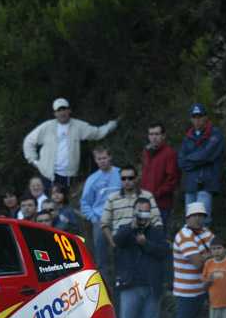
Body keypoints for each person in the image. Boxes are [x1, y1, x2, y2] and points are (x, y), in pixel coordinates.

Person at [113, 198, 167, 318]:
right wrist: (132, 226)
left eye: (145, 211)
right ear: (134, 211)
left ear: (150, 213)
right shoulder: (125, 229)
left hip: (151, 287)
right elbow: (117, 241)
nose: (142, 215)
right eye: (139, 211)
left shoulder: (157, 231)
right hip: (129, 285)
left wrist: (146, 244)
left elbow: (163, 252)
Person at [23, 97, 118, 188]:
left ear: (69, 110)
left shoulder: (79, 126)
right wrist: (34, 161)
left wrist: (110, 126)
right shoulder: (47, 127)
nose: (62, 113)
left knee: (65, 202)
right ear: (55, 113)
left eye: (64, 109)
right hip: (47, 174)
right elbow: (28, 142)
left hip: (68, 176)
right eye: (59, 110)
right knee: (48, 203)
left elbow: (97, 133)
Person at [167, 202, 214, 318]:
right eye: (195, 215)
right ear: (188, 217)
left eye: (201, 215)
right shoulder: (183, 235)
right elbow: (198, 263)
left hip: (203, 289)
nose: (198, 218)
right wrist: (209, 256)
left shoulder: (207, 233)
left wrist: (207, 257)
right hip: (186, 291)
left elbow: (221, 253)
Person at [177, 103, 225, 222]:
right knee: (190, 222)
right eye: (194, 117)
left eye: (200, 116)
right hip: (190, 185)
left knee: (203, 221)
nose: (197, 120)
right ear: (191, 119)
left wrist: (190, 158)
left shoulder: (216, 134)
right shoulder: (187, 137)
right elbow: (181, 162)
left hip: (206, 184)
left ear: (206, 117)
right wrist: (198, 159)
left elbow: (207, 155)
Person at [80, 146, 121, 279]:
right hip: (100, 220)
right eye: (99, 159)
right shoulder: (92, 179)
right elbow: (85, 203)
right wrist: (94, 218)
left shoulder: (120, 174)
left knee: (120, 253)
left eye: (104, 158)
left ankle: (122, 281)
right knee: (101, 257)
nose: (102, 161)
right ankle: (105, 287)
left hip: (120, 218)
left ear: (110, 157)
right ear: (95, 160)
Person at [102, 164, 163, 244]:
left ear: (136, 178)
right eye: (123, 178)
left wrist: (152, 240)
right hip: (121, 241)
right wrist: (113, 244)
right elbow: (104, 224)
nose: (127, 181)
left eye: (130, 178)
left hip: (143, 241)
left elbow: (157, 221)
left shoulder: (147, 196)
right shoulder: (112, 198)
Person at [140, 122, 180, 233]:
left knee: (159, 237)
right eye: (151, 134)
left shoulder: (169, 153)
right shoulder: (146, 152)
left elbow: (172, 180)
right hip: (145, 204)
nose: (154, 137)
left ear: (163, 136)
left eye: (157, 134)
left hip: (161, 204)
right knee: (144, 236)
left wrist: (156, 194)